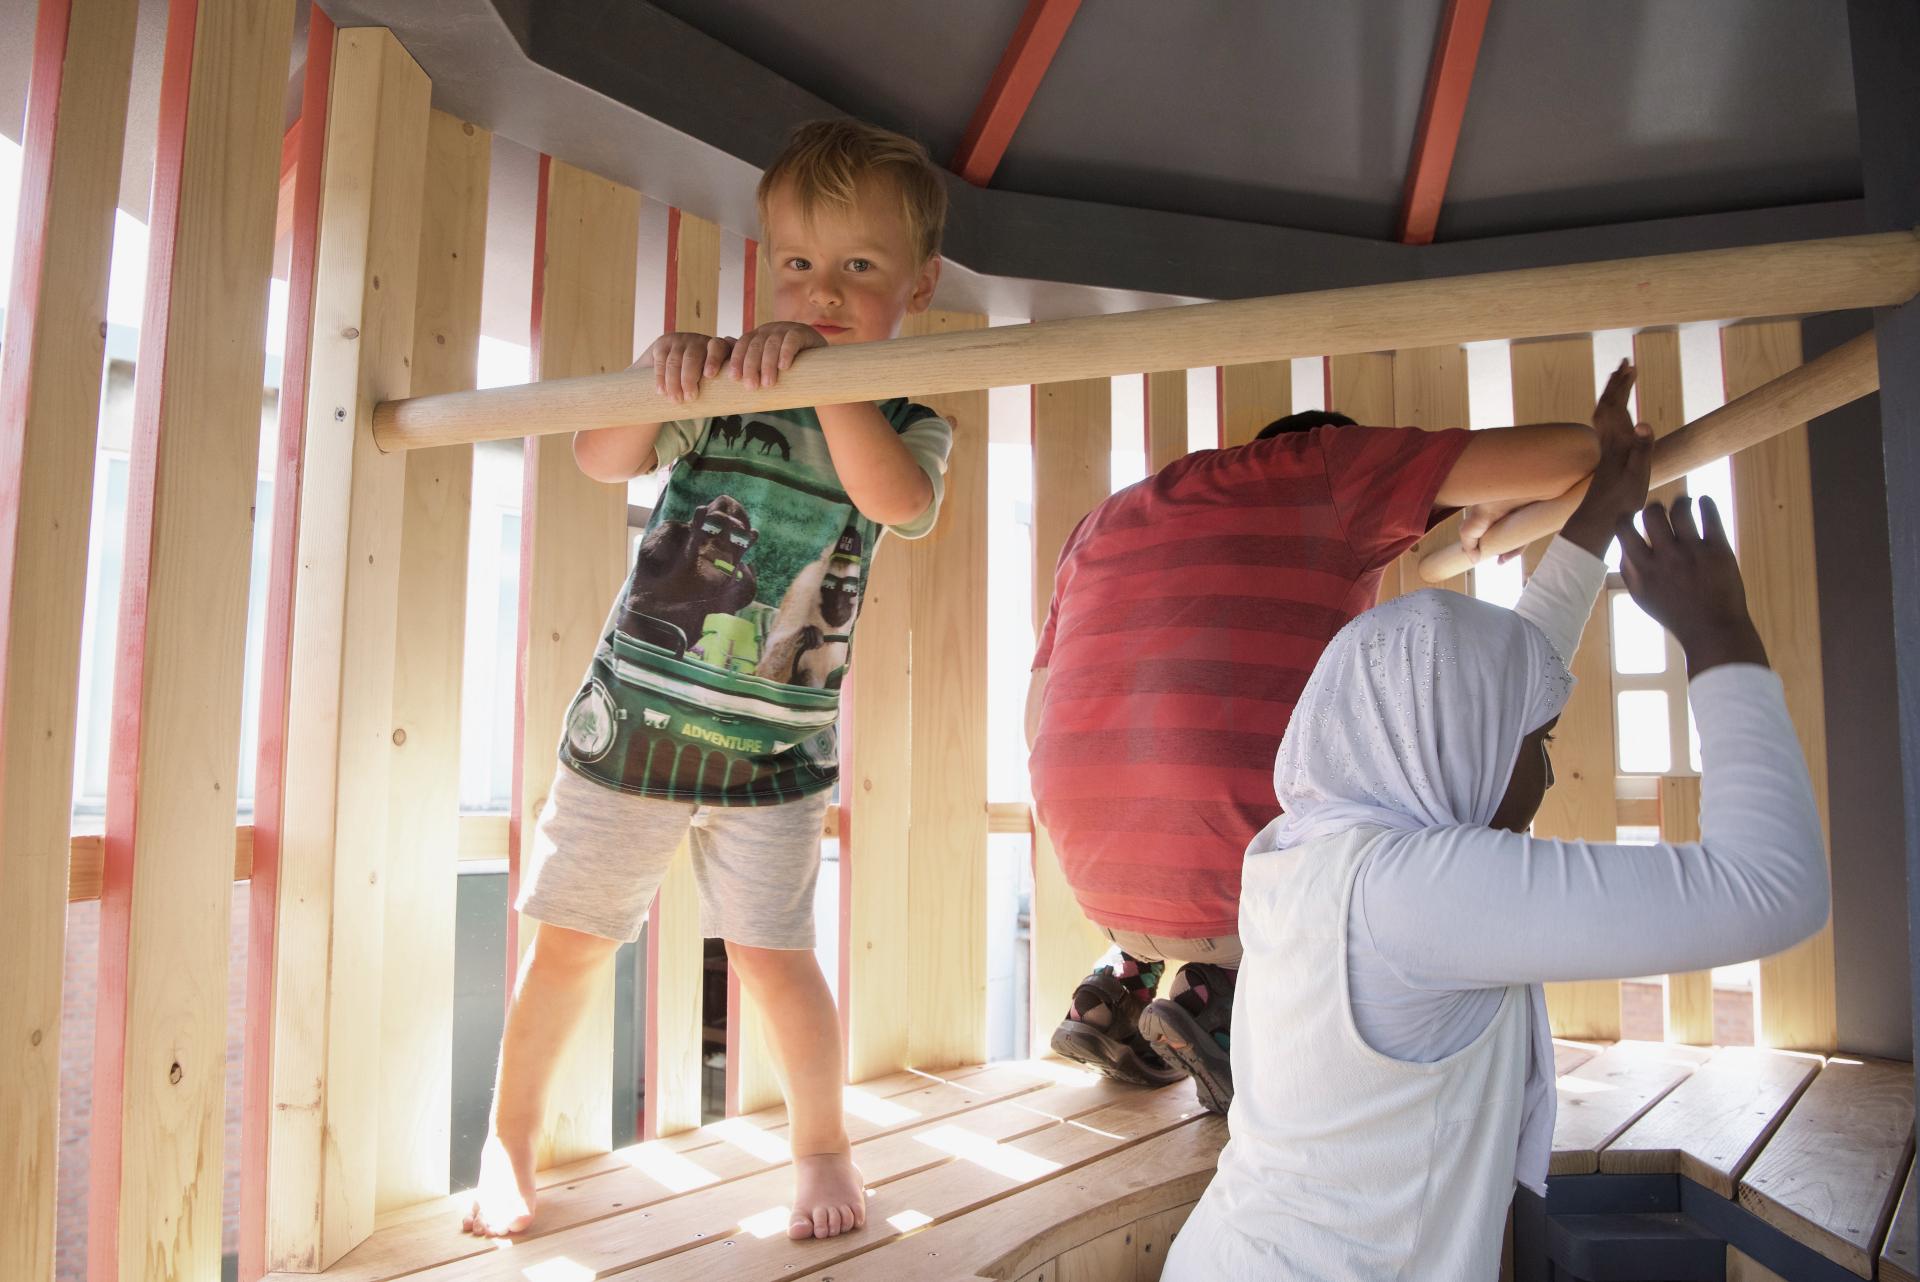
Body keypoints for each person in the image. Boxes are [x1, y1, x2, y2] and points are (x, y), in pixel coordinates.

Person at [1164, 397, 1828, 1279]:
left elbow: (1503, 675)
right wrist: (1720, 634)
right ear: (1458, 744)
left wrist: (1601, 514)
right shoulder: (1413, 897)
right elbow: (1773, 891)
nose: (1544, 765)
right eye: (1538, 739)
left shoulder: (1305, 854)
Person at [464, 120, 953, 1243]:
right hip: (633, 724)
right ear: (764, 269)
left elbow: (895, 502)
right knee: (570, 942)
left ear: (917, 284)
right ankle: (510, 1133)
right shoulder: (728, 384)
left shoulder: (914, 418)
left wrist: (829, 376)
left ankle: (822, 1143)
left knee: (777, 957)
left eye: (858, 268)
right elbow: (601, 457)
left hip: (774, 753)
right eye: (797, 265)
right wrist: (661, 373)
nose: (821, 290)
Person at [1028, 381, 1623, 1112]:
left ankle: (1115, 991)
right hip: (1242, 896)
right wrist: (1496, 498)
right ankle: (1223, 999)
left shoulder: (1099, 523)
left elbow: (1037, 719)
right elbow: (1577, 455)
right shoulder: (1327, 468)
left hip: (1101, 880)